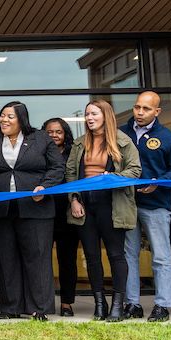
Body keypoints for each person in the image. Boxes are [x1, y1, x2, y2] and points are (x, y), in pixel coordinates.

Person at [0, 102, 65, 321]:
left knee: (37, 258)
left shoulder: (40, 138)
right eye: (2, 116)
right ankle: (10, 307)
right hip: (1, 210)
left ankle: (40, 308)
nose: (4, 120)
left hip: (36, 208)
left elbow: (57, 167)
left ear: (22, 119)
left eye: (9, 116)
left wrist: (45, 186)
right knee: (6, 259)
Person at [64, 100, 141, 320]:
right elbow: (70, 174)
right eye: (87, 114)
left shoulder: (123, 141)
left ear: (105, 116)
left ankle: (118, 305)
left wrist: (113, 178)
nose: (89, 118)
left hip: (112, 204)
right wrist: (74, 200)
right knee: (91, 256)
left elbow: (135, 170)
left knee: (117, 255)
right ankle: (100, 304)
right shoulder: (79, 143)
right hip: (85, 204)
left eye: (94, 114)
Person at [119, 91, 171, 322]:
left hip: (156, 205)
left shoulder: (169, 138)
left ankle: (162, 305)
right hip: (127, 204)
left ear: (157, 111)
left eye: (146, 109)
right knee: (129, 255)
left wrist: (157, 183)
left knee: (161, 256)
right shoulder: (121, 133)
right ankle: (132, 303)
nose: (139, 112)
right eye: (137, 107)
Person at [43, 117, 81, 316]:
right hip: (43, 213)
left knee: (67, 260)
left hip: (67, 214)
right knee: (42, 260)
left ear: (65, 134)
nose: (54, 135)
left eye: (58, 131)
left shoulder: (73, 153)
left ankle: (67, 302)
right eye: (50, 132)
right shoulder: (39, 153)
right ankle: (44, 301)